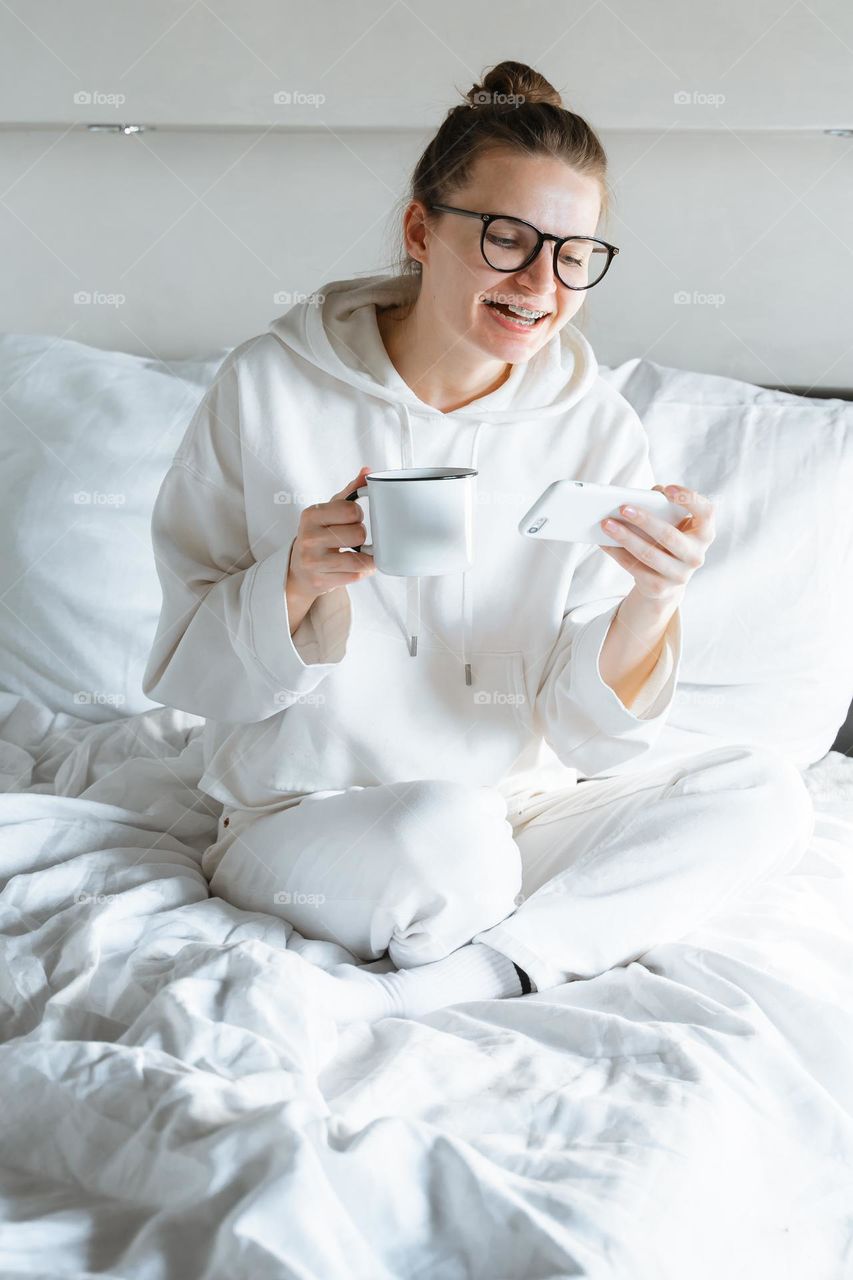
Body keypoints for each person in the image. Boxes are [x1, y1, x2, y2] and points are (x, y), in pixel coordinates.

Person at [142, 60, 815, 1027]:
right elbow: (189, 669)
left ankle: (482, 971)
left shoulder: (594, 424)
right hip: (317, 823)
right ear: (422, 231)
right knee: (443, 836)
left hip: (517, 813)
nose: (542, 283)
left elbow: (586, 736)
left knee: (761, 791)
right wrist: (290, 586)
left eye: (575, 253)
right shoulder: (269, 387)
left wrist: (650, 602)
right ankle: (514, 939)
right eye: (508, 239)